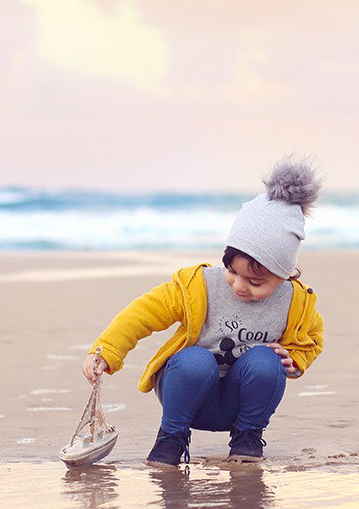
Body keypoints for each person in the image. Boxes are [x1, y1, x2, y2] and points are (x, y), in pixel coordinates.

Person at [81, 155, 325, 466]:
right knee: (195, 359)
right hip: (188, 393)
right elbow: (142, 313)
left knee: (266, 360)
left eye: (255, 281)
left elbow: (312, 338)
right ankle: (172, 437)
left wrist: (295, 358)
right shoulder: (198, 286)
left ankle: (248, 437)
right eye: (232, 271)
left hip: (242, 403)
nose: (239, 286)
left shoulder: (295, 302)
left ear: (285, 274)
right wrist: (105, 351)